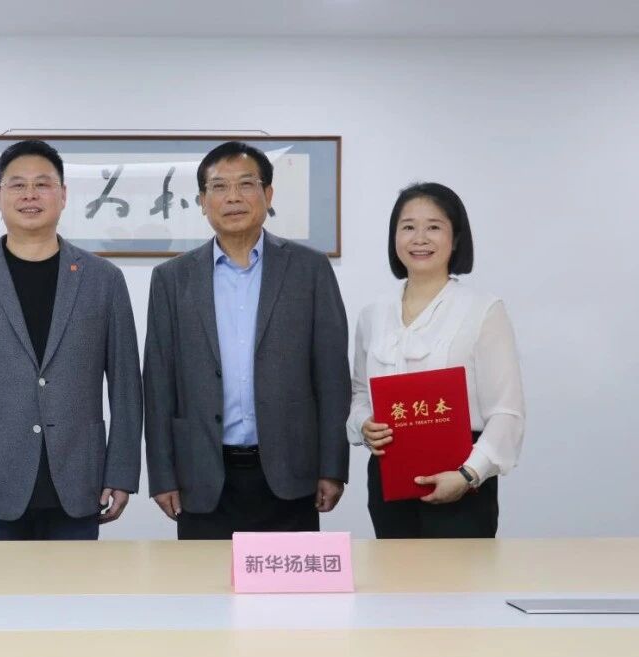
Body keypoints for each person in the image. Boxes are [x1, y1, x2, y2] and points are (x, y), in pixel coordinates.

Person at [0, 140, 142, 540]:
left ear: (63, 195)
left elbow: (127, 386)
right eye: (17, 185)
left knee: (76, 585)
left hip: (80, 483)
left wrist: (122, 471)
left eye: (42, 184)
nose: (30, 195)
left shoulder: (104, 280)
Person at [144, 141, 351, 540]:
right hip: (202, 475)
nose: (233, 197)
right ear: (202, 202)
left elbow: (332, 376)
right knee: (203, 581)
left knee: (287, 583)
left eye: (246, 184)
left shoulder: (309, 269)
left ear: (268, 194)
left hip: (290, 473)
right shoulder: (172, 279)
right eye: (219, 187)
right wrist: (162, 474)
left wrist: (332, 467)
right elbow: (158, 385)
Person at [347, 182, 525, 538]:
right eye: (408, 227)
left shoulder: (483, 310)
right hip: (390, 479)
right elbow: (360, 393)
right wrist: (364, 424)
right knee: (393, 573)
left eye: (433, 227)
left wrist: (468, 474)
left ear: (455, 239)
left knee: (458, 576)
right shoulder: (373, 314)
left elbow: (507, 412)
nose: (419, 239)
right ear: (394, 237)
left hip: (463, 481)